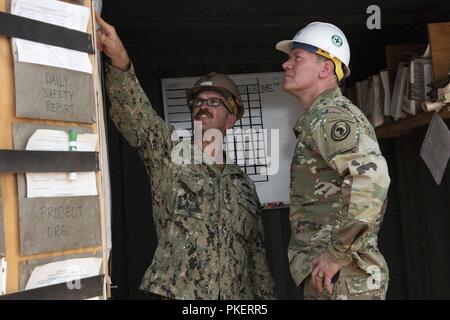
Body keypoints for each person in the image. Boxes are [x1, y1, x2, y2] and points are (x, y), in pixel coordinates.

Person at [95, 13, 276, 300]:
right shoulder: (169, 150)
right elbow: (135, 115)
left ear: (231, 119)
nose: (203, 106)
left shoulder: (244, 187)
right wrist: (120, 60)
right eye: (198, 101)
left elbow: (257, 257)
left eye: (214, 101)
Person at [275, 22, 391, 300]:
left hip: (343, 279)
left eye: (296, 58)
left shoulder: (331, 116)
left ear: (326, 68)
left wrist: (336, 255)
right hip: (334, 279)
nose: (285, 65)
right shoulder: (319, 116)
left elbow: (371, 179)